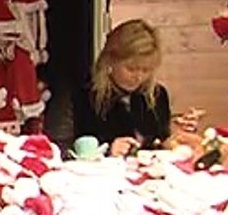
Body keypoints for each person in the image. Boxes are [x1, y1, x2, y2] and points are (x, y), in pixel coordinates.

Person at [74, 19, 198, 157]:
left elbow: (160, 142)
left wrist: (174, 138)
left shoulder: (157, 95)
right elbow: (73, 149)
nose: (138, 77)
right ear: (111, 60)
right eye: (131, 69)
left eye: (146, 70)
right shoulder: (88, 96)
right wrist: (108, 149)